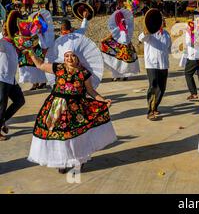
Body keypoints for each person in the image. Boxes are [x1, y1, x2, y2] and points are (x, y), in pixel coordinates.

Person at [27, 35, 117, 173]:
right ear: (64, 58)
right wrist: (30, 52)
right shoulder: (58, 68)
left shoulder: (84, 73)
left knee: (76, 137)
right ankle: (61, 161)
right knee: (57, 135)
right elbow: (39, 65)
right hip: (56, 108)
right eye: (67, 56)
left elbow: (91, 91)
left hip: (76, 109)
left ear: (78, 58)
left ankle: (78, 160)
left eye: (73, 56)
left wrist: (103, 100)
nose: (70, 58)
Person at [138, 18, 172, 121]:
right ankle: (150, 111)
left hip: (164, 65)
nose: (165, 22)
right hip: (152, 64)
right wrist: (146, 31)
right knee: (153, 87)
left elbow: (169, 49)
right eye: (162, 20)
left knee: (162, 88)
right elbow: (141, 38)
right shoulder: (149, 33)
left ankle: (155, 106)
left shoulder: (166, 34)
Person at [0, 25, 25, 141]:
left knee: (20, 100)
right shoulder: (2, 43)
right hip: (2, 79)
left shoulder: (11, 44)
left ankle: (2, 121)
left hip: (11, 79)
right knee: (1, 106)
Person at [101, 9, 140, 82]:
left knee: (116, 61)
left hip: (119, 46)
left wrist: (104, 40)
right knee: (123, 61)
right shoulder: (127, 25)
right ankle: (124, 75)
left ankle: (117, 75)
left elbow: (112, 34)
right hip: (127, 46)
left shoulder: (119, 26)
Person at [184, 14, 199, 102]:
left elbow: (188, 42)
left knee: (188, 73)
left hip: (194, 56)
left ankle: (193, 93)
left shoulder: (189, 28)